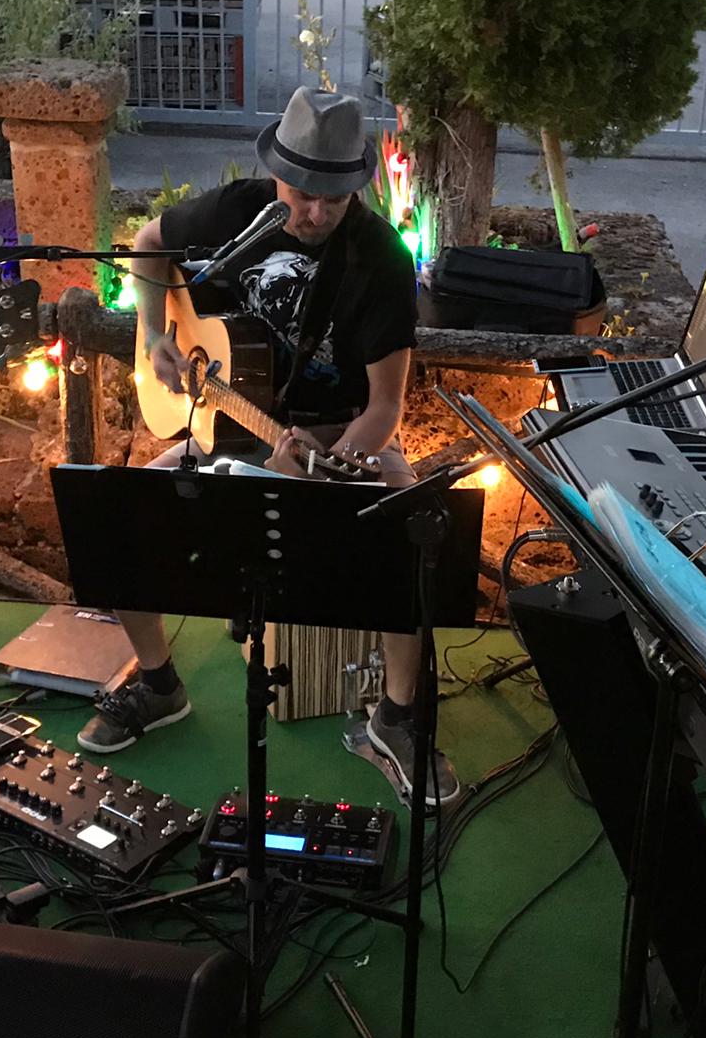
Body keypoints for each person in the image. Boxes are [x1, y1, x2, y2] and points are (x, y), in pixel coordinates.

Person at [74, 87, 455, 802]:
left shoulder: (378, 260)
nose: (314, 213)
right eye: (301, 194)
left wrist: (322, 469)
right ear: (276, 175)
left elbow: (385, 406)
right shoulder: (237, 213)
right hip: (224, 426)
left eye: (332, 200)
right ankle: (158, 684)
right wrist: (154, 334)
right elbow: (149, 246)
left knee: (408, 532)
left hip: (334, 439)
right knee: (121, 514)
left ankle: (397, 717)